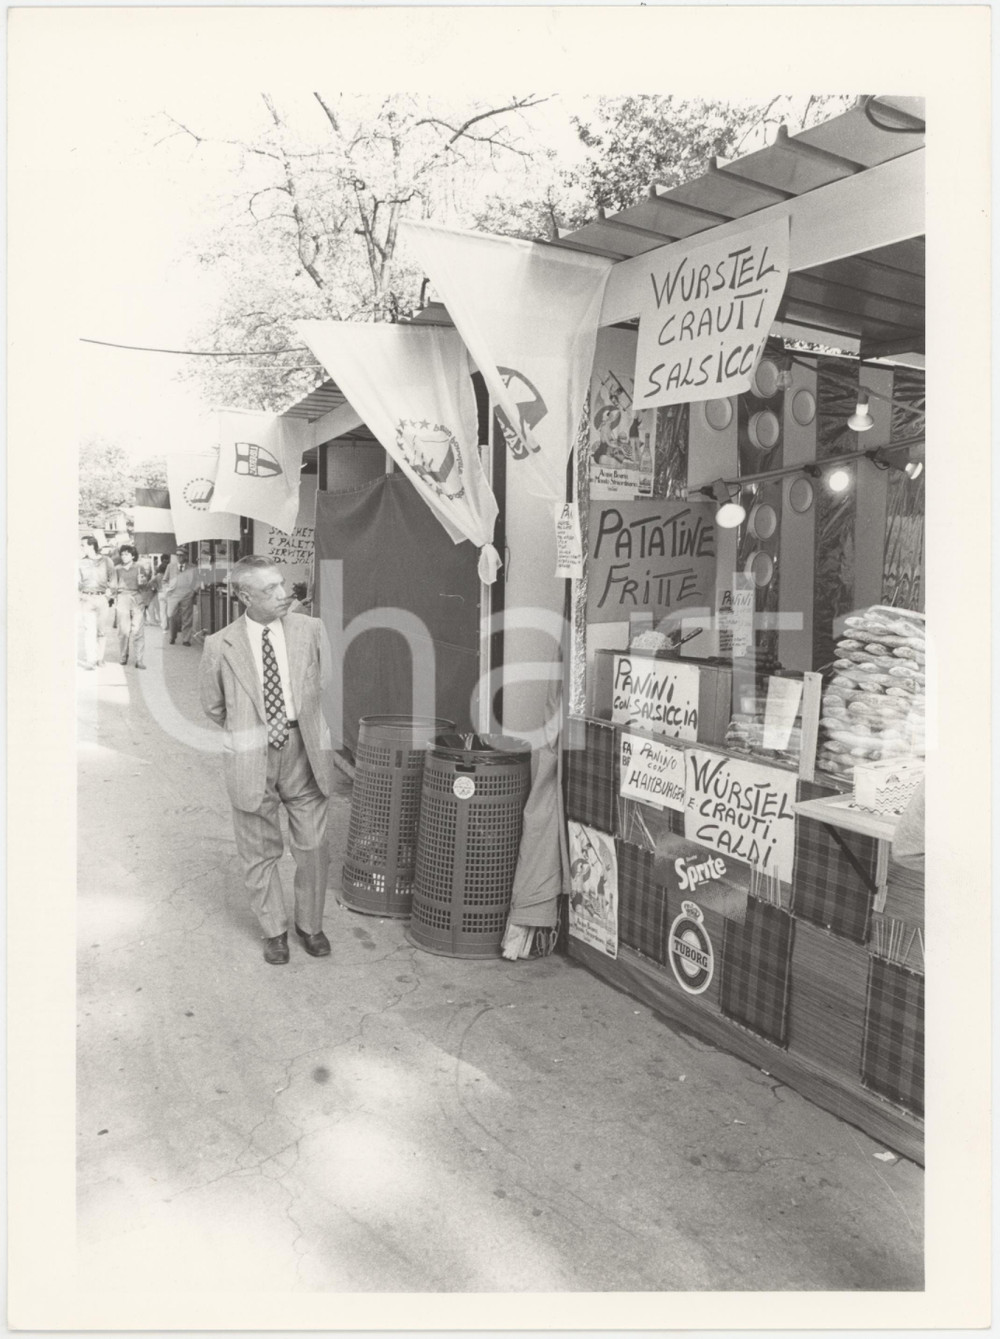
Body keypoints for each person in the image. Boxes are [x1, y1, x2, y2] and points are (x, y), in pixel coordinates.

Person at [199, 555, 334, 965]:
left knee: (313, 845)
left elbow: (322, 682)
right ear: (243, 595)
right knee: (259, 850)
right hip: (251, 753)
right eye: (270, 588)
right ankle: (274, 931)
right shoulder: (219, 644)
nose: (283, 593)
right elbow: (213, 705)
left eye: (282, 584)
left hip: (304, 748)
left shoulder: (310, 629)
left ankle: (310, 925)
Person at [78, 536, 115, 669]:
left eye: (83, 545)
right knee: (89, 630)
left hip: (101, 599)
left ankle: (100, 658)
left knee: (101, 631)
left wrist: (110, 593)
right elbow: (76, 582)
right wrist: (80, 595)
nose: (81, 548)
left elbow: (113, 578)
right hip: (86, 599)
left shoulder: (107, 561)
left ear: (92, 546)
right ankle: (91, 660)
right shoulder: (80, 563)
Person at [111, 544, 148, 668]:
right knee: (123, 631)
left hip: (136, 597)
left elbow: (144, 586)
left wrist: (142, 582)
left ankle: (139, 660)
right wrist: (112, 597)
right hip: (122, 598)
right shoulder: (117, 569)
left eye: (127, 554)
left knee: (138, 630)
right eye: (122, 554)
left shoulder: (139, 567)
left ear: (133, 555)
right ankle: (123, 656)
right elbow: (113, 586)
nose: (124, 556)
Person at [166, 549, 200, 646]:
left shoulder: (192, 567)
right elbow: (164, 580)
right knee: (172, 616)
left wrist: (193, 591)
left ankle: (186, 639)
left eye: (181, 555)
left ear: (186, 556)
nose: (179, 557)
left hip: (187, 594)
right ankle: (172, 636)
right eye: (178, 555)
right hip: (173, 594)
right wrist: (167, 590)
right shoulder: (170, 566)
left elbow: (198, 581)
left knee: (187, 617)